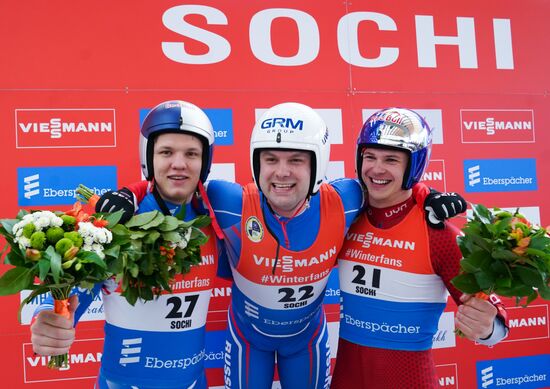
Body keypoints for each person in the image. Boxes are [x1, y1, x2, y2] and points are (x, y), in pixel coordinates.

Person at [116, 102, 469, 388]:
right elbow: (172, 184)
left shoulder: (346, 199)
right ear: (257, 163)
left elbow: (389, 189)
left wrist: (427, 195)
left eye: (296, 160)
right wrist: (128, 193)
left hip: (306, 340)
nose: (282, 172)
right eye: (271, 159)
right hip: (247, 339)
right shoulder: (228, 200)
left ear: (317, 164)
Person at [30, 100, 224, 389]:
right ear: (149, 158)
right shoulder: (116, 221)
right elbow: (72, 289)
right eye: (166, 152)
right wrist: (48, 316)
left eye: (192, 153)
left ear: (204, 162)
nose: (179, 163)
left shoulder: (215, 215)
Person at [331, 108, 509, 389]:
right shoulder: (345, 216)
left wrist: (487, 328)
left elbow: (495, 322)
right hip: (346, 379)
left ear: (414, 165)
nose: (376, 169)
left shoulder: (437, 230)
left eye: (391, 159)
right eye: (370, 157)